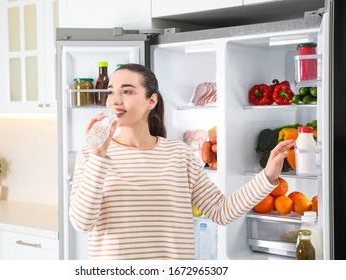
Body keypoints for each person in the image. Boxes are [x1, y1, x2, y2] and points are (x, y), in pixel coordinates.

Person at [69, 63, 295, 260]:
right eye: (111, 92)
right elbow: (81, 223)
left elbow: (221, 211)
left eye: (127, 91)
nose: (115, 100)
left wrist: (267, 176)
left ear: (152, 100)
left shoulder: (179, 153)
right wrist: (99, 156)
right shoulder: (90, 155)